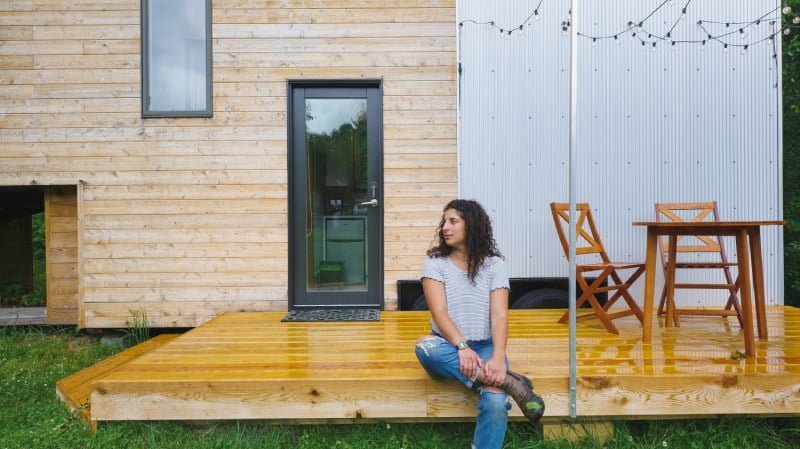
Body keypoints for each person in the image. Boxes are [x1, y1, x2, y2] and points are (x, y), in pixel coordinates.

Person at [414, 199, 545, 449]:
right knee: (425, 348)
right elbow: (439, 312)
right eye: (444, 222)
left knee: (495, 403)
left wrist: (497, 356)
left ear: (471, 225)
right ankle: (508, 381)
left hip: (485, 347)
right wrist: (462, 347)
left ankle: (496, 378)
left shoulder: (494, 265)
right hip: (448, 346)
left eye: (453, 221)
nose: (445, 227)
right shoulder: (435, 263)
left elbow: (500, 315)